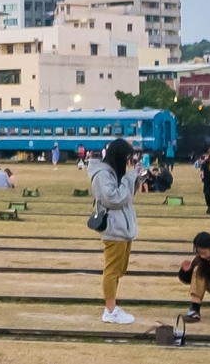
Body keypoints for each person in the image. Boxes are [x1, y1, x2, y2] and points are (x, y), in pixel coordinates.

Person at [88, 137, 140, 325]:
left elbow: (126, 196)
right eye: (126, 158)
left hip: (123, 227)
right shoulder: (102, 174)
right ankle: (110, 311)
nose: (128, 162)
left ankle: (112, 307)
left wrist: (136, 177)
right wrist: (129, 177)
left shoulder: (112, 172)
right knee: (111, 271)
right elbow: (114, 199)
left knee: (119, 270)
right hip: (114, 229)